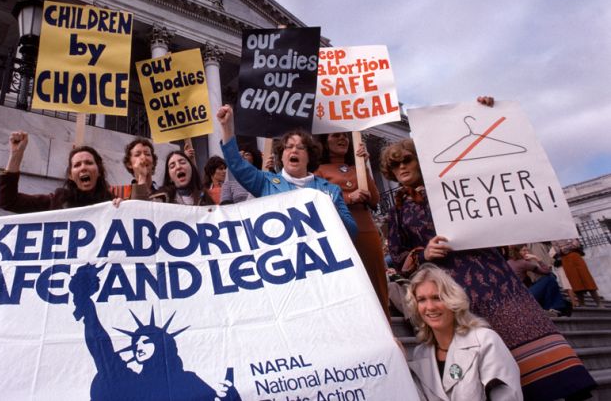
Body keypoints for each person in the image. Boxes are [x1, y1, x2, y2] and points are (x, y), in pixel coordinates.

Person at [381, 138, 595, 400]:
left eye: (407, 160)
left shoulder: (459, 187)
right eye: (394, 165)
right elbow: (397, 257)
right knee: (487, 356)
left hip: (496, 281)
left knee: (530, 341)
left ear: (419, 160)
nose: (401, 168)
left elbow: (483, 159)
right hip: (455, 290)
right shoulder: (398, 213)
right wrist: (423, 253)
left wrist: (485, 112)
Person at [69, 264, 240, 400]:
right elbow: (100, 345)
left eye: (146, 341)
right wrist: (83, 296)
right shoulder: (126, 380)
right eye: (135, 342)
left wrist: (231, 397)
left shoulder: (187, 381)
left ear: (162, 344)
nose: (138, 345)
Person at [216, 105, 356, 239]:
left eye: (300, 147)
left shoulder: (331, 190)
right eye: (288, 147)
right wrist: (227, 128)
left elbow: (352, 232)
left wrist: (331, 209)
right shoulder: (265, 182)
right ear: (282, 156)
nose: (294, 150)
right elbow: (237, 164)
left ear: (309, 156)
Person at [405, 264, 522, 401]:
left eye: (437, 298)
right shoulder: (420, 353)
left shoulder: (485, 340)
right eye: (422, 300)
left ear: (452, 300)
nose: (430, 307)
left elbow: (507, 397)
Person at [316, 132, 389, 317]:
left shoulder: (357, 168)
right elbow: (319, 200)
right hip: (340, 232)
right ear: (325, 141)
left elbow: (374, 199)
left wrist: (363, 164)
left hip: (367, 231)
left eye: (346, 136)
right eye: (336, 136)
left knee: (377, 284)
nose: (343, 139)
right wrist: (349, 197)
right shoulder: (319, 171)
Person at [0, 130, 113, 213]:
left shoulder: (113, 203)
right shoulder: (57, 201)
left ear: (99, 171)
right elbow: (9, 201)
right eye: (77, 165)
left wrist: (123, 208)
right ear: (71, 176)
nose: (83, 167)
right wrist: (16, 154)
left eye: (89, 163)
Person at [506, 245, 570, 317]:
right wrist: (536, 258)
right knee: (550, 277)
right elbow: (547, 271)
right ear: (517, 252)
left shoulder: (508, 262)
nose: (527, 252)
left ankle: (551, 308)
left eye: (527, 250)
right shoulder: (523, 263)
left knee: (546, 284)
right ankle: (554, 307)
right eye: (524, 250)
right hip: (523, 298)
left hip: (514, 298)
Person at [149, 150, 214, 206]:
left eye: (182, 162)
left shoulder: (205, 197)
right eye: (172, 166)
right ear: (169, 178)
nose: (178, 167)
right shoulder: (160, 198)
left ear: (191, 169)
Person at [552, 239, 601, 307]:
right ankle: (582, 304)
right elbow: (558, 251)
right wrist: (568, 247)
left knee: (587, 279)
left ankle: (599, 303)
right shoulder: (554, 239)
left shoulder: (570, 233)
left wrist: (564, 247)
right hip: (566, 260)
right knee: (574, 281)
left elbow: (575, 245)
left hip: (576, 257)